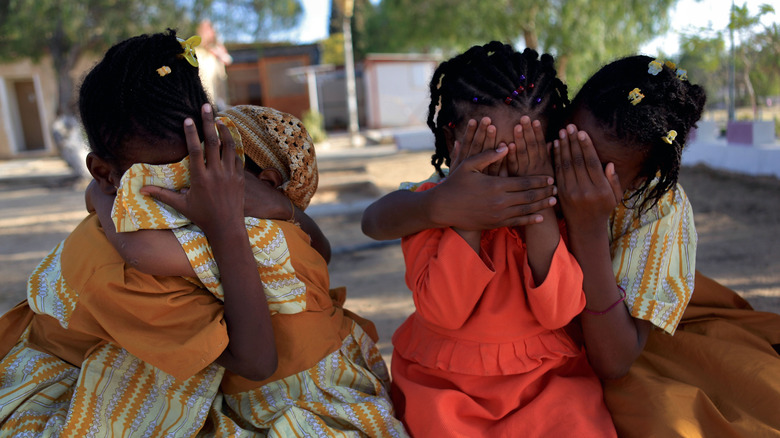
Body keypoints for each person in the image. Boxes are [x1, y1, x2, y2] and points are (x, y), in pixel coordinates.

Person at [0, 30, 276, 436]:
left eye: (203, 168)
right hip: (61, 388)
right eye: (164, 179)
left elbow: (317, 251)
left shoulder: (196, 187)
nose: (199, 191)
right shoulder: (123, 274)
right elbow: (257, 361)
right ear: (105, 173)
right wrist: (228, 225)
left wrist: (277, 204)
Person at [92, 103, 408, 437]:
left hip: (302, 402)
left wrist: (100, 193)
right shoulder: (287, 227)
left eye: (214, 163)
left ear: (262, 182)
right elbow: (322, 248)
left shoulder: (256, 236)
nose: (192, 177)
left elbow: (141, 252)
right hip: (324, 380)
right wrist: (283, 207)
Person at [367, 41, 617, 437]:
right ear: (453, 143)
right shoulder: (432, 207)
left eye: (525, 156)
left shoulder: (559, 209)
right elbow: (445, 310)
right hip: (446, 388)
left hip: (545, 382)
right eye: (493, 154)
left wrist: (538, 208)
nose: (508, 174)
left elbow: (559, 310)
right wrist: (466, 219)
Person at [555, 55, 780, 437]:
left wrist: (588, 229)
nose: (571, 168)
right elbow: (424, 200)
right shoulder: (532, 154)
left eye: (597, 166)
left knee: (675, 417)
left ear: (645, 176)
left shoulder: (659, 208)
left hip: (622, 331)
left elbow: (614, 361)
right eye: (567, 142)